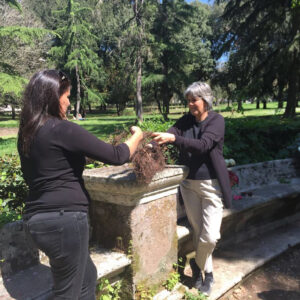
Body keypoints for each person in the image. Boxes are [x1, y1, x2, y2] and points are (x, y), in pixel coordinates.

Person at [18, 69, 143, 300]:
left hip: (37, 221)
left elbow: (46, 167)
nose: (67, 102)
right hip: (64, 222)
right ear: (54, 97)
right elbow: (117, 155)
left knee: (87, 276)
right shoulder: (62, 129)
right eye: (66, 96)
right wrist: (137, 135)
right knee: (68, 293)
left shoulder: (27, 133)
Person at [152, 81, 232, 296]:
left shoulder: (217, 121)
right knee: (198, 232)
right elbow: (170, 133)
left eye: (193, 100)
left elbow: (203, 145)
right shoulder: (186, 121)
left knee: (210, 236)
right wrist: (151, 142)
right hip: (188, 185)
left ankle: (196, 264)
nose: (190, 105)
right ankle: (208, 273)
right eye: (188, 101)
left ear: (205, 100)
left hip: (211, 186)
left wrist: (174, 139)